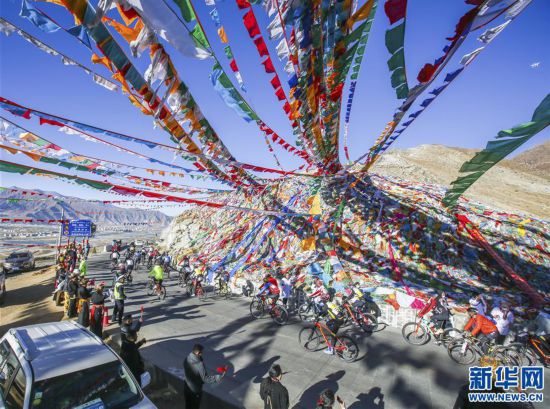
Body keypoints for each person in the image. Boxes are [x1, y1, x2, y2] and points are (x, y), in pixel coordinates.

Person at [183, 344, 223, 409]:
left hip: (186, 388)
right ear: (198, 353)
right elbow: (205, 378)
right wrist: (217, 377)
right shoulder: (199, 364)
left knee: (188, 406)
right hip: (195, 391)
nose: (202, 354)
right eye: (201, 353)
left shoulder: (187, 358)